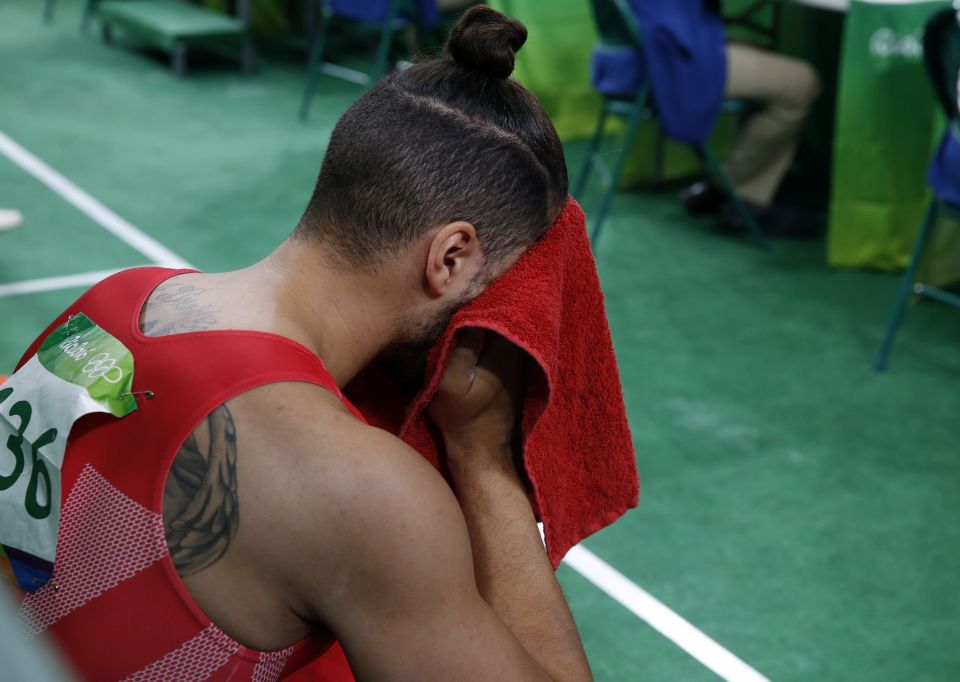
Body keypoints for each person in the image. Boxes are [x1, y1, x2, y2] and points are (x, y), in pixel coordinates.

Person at [9, 7, 593, 682]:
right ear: (452, 257)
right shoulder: (360, 491)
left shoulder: (121, 297)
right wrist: (484, 456)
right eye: (505, 288)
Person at [592, 0, 822, 235]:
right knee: (802, 83)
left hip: (622, 60)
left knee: (763, 55)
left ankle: (726, 186)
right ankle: (742, 195)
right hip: (663, 62)